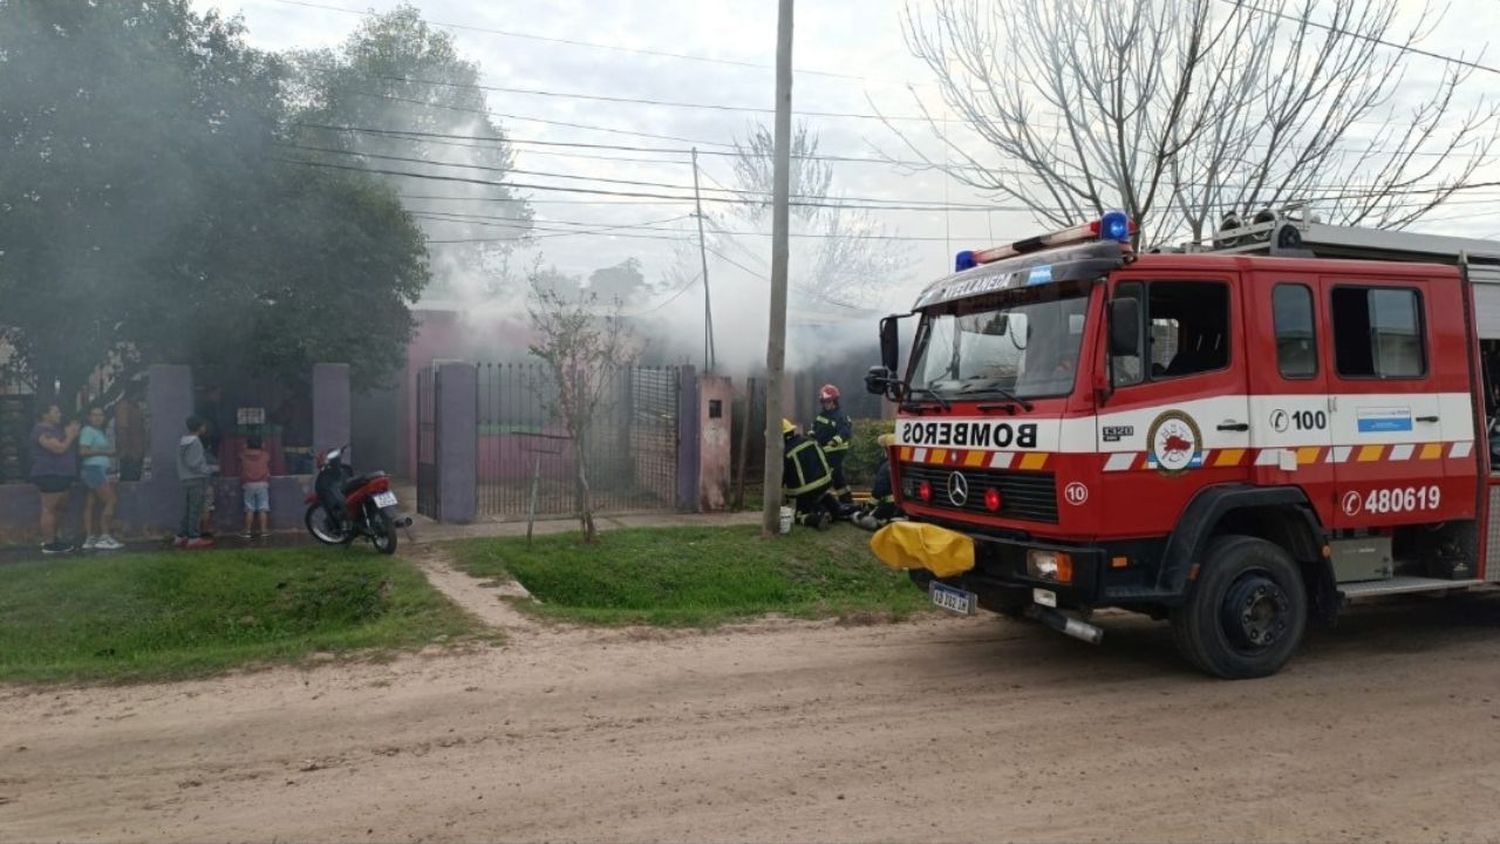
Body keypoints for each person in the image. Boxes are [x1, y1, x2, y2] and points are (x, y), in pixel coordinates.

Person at [29, 403, 80, 555]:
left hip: (61, 475)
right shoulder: (42, 431)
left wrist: (69, 433)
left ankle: (56, 539)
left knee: (59, 508)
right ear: (46, 415)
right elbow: (58, 448)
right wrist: (70, 435)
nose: (60, 414)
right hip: (49, 474)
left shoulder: (55, 430)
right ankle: (49, 544)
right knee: (49, 508)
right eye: (56, 412)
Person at [781, 418, 842, 530]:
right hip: (825, 482)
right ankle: (833, 510)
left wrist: (783, 492)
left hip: (805, 491)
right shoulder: (811, 441)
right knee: (818, 496)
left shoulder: (786, 453)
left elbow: (782, 476)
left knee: (799, 516)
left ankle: (817, 519)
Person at [79, 405, 123, 551]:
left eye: (100, 415)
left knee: (91, 503)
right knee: (111, 500)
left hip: (97, 470)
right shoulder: (88, 430)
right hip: (94, 470)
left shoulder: (98, 431)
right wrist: (107, 453)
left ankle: (90, 538)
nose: (98, 418)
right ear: (89, 417)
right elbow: (83, 451)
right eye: (94, 415)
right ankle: (105, 536)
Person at [174, 415, 215, 549]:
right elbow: (195, 463)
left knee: (189, 509)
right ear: (199, 427)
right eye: (203, 425)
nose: (205, 428)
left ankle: (181, 536)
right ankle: (193, 537)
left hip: (186, 478)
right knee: (195, 510)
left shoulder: (183, 441)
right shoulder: (195, 442)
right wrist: (208, 470)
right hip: (196, 478)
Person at [812, 384, 854, 504]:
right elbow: (816, 427)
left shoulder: (841, 416)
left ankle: (819, 501)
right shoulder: (822, 415)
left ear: (834, 401)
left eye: (828, 401)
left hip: (835, 452)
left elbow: (845, 432)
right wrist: (813, 434)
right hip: (823, 450)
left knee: (824, 476)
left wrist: (835, 441)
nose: (826, 404)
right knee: (837, 477)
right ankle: (847, 502)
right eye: (824, 402)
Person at [854, 434, 905, 531]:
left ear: (887, 450)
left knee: (869, 520)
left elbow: (879, 490)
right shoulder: (906, 464)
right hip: (905, 509)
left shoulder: (886, 467)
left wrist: (868, 507)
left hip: (889, 507)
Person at [113, 384, 147, 482]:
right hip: (130, 454)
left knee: (135, 479)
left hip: (136, 452)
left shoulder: (135, 407)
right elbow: (122, 429)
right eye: (143, 391)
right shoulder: (124, 407)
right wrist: (124, 451)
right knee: (129, 481)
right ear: (136, 392)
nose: (144, 393)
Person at [240, 435, 271, 539]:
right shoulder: (265, 455)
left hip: (248, 483)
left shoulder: (243, 454)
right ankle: (264, 530)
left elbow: (240, 455)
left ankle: (247, 531)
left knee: (249, 508)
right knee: (263, 507)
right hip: (262, 483)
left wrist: (245, 448)